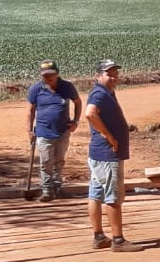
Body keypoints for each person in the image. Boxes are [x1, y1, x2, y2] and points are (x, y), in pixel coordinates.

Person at [85, 59, 138, 251]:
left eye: (116, 72)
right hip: (107, 154)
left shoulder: (106, 92)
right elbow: (90, 114)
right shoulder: (99, 93)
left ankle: (99, 237)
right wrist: (109, 136)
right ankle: (118, 240)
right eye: (109, 73)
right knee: (113, 197)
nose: (114, 76)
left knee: (96, 194)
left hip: (99, 154)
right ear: (98, 76)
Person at [25, 60, 81, 201]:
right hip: (43, 132)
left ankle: (57, 188)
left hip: (63, 131)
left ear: (57, 73)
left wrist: (75, 121)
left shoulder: (67, 87)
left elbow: (78, 103)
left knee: (59, 161)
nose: (48, 77)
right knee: (46, 162)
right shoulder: (36, 89)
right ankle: (47, 190)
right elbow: (31, 110)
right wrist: (29, 130)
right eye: (45, 75)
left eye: (51, 74)